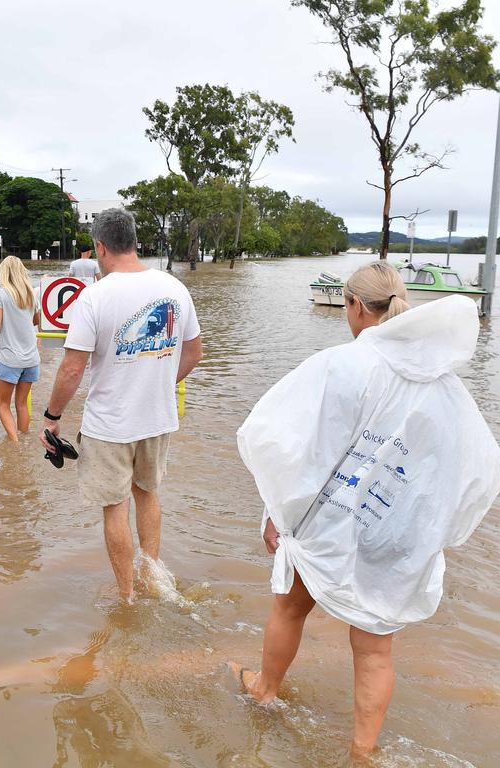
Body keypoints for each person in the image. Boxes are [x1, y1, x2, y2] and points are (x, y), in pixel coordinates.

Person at [232, 262, 500, 759]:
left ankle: (264, 691)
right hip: (396, 528)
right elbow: (471, 464)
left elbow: (298, 448)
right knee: (375, 648)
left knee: (290, 607)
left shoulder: (344, 364)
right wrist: (435, 533)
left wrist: (277, 511)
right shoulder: (445, 382)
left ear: (355, 305)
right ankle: (362, 750)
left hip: (331, 520)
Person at [38, 208, 203, 603]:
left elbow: (72, 369)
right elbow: (194, 353)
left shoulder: (94, 296)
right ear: (134, 240)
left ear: (100, 247)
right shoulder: (174, 288)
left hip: (110, 426)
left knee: (115, 506)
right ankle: (153, 579)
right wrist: (160, 384)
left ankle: (127, 596)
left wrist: (52, 417)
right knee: (147, 493)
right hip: (158, 419)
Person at [0, 256, 40, 441]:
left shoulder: (1, 294)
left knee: (2, 404)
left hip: (10, 359)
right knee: (22, 403)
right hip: (31, 359)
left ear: (4, 272)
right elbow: (37, 321)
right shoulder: (31, 293)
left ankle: (14, 445)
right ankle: (23, 440)